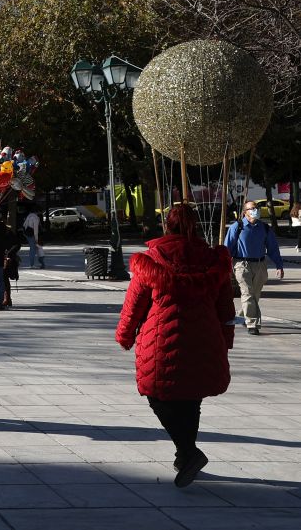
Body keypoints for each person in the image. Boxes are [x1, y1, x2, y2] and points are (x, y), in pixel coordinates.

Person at [116, 203, 234, 488]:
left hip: (161, 337)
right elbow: (226, 308)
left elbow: (134, 306)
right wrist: (225, 341)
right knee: (191, 397)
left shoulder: (152, 259)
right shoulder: (213, 260)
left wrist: (125, 335)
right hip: (205, 337)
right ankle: (184, 454)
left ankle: (190, 452)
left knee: (158, 395)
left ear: (167, 226)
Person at [223, 200, 284, 335]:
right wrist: (224, 266)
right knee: (247, 293)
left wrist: (279, 265)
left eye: (256, 208)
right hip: (241, 265)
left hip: (260, 264)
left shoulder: (265, 228)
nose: (255, 210)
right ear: (245, 212)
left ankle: (244, 315)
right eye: (252, 208)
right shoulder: (236, 227)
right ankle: (253, 324)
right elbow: (227, 248)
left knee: (255, 295)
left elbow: (273, 248)